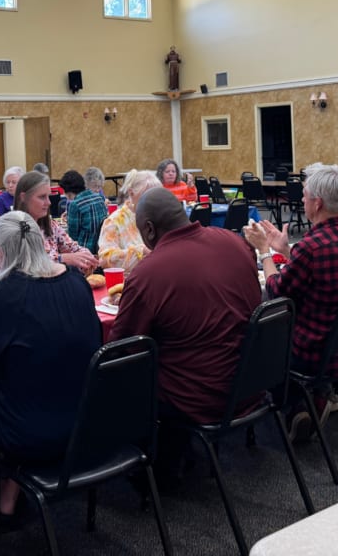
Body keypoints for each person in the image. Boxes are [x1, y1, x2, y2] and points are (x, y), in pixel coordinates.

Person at [111, 187, 262, 485]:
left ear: (150, 230)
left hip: (199, 398)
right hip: (253, 382)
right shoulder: (235, 242)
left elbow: (119, 351)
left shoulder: (149, 273)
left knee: (124, 375)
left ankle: (149, 464)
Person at [0, 212, 102, 516]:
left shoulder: (6, 293)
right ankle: (12, 493)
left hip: (26, 432)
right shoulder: (78, 283)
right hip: (85, 422)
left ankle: (0, 499)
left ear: (0, 253)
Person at [244, 164, 338, 440]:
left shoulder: (312, 247)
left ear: (317, 202)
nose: (301, 200)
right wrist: (286, 250)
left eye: (304, 196)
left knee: (255, 339)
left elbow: (277, 291)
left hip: (313, 354)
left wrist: (264, 252)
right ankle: (309, 400)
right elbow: (321, 274)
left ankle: (298, 402)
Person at [13, 171, 98, 272]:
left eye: (48, 196)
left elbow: (73, 247)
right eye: (42, 197)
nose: (48, 202)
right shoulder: (12, 229)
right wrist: (63, 258)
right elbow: (25, 265)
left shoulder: (50, 225)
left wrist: (85, 255)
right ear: (23, 198)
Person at [97, 169, 161, 273]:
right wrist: (141, 252)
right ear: (131, 193)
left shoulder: (158, 216)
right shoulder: (114, 221)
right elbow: (105, 260)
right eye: (147, 196)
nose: (153, 201)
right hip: (130, 281)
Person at [61, 168, 106, 255]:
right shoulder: (99, 198)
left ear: (68, 191)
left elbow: (72, 238)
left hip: (84, 250)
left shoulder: (75, 204)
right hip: (100, 247)